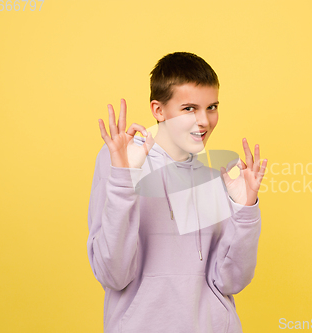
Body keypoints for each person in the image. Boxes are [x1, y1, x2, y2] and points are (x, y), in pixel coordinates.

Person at [87, 52, 268, 332]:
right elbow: (114, 273)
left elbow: (231, 281)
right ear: (159, 111)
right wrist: (125, 179)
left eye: (212, 107)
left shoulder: (218, 177)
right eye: (189, 109)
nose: (204, 121)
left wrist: (246, 209)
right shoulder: (122, 158)